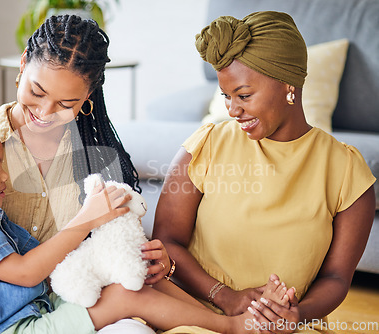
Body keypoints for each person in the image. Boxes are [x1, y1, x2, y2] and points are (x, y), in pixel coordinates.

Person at [0, 108, 287, 334]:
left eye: (67, 101)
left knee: (130, 269)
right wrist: (86, 222)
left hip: (36, 304)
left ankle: (222, 317)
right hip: (10, 327)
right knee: (125, 293)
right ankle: (234, 327)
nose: (5, 177)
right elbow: (20, 273)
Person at [0, 14, 155, 334]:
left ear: (87, 98)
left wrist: (152, 258)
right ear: (23, 64)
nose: (45, 113)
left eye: (66, 103)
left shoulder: (96, 157)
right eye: (37, 92)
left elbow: (113, 246)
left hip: (68, 304)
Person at [152, 11, 377, 334]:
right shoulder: (206, 146)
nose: (233, 110)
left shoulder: (346, 172)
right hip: (197, 316)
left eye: (244, 95)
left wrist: (295, 315)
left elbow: (336, 278)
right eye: (226, 97)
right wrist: (227, 298)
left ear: (289, 85)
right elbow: (166, 240)